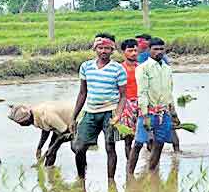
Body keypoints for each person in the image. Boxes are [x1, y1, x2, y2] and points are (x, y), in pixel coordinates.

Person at [71, 36, 129, 181]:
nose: (103, 51)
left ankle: (111, 181)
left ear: (112, 50)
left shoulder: (118, 69)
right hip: (90, 112)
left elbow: (123, 96)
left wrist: (118, 115)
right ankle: (81, 178)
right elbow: (83, 93)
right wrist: (73, 117)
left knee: (110, 147)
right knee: (79, 147)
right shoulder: (86, 67)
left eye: (107, 48)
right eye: (100, 48)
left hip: (110, 112)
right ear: (95, 49)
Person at [135, 37, 176, 174]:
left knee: (159, 144)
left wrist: (173, 112)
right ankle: (130, 175)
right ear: (149, 50)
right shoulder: (143, 68)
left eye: (161, 49)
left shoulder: (167, 69)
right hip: (148, 112)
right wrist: (145, 115)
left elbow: (169, 92)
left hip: (163, 112)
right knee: (139, 143)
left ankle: (152, 174)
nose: (159, 52)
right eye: (155, 49)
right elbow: (142, 93)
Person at [7, 101, 76, 166]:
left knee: (74, 147)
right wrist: (39, 147)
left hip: (74, 121)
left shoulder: (46, 115)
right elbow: (46, 129)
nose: (20, 125)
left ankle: (81, 174)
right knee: (51, 150)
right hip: (60, 125)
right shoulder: (36, 113)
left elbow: (65, 132)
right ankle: (48, 169)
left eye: (20, 123)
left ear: (26, 120)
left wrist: (51, 149)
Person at [117, 38, 142, 175]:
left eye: (135, 50)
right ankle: (130, 167)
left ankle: (149, 167)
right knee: (128, 138)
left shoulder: (142, 67)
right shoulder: (120, 69)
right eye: (130, 50)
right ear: (123, 52)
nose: (133, 53)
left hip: (142, 104)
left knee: (146, 137)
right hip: (126, 104)